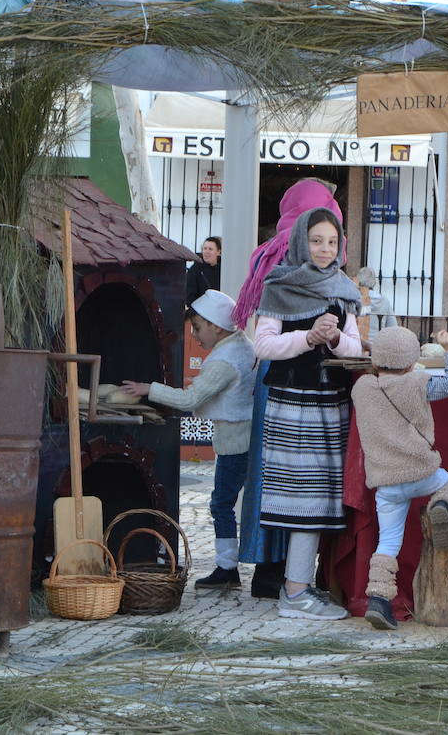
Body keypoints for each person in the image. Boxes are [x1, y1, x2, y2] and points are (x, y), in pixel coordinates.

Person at [252, 207, 364, 620]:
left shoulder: (344, 289)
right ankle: (294, 593)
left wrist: (334, 337)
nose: (324, 249)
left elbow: (356, 348)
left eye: (331, 242)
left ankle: (297, 589)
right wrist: (305, 337)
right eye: (317, 240)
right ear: (302, 240)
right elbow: (262, 345)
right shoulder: (279, 285)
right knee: (303, 498)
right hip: (292, 403)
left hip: (330, 405)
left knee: (319, 500)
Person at [234, 179, 343, 598]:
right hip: (298, 377)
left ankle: (267, 569)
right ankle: (299, 575)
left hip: (270, 374)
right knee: (305, 478)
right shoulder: (310, 249)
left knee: (268, 473)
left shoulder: (268, 252)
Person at [121, 290, 256, 591]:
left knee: (221, 504)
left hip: (236, 441)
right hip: (245, 435)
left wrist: (147, 389)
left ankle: (226, 568)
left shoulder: (224, 360)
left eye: (197, 327)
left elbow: (190, 398)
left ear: (217, 327)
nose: (194, 335)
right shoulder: (242, 345)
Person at [351, 326, 448, 629]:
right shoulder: (417, 383)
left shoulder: (361, 388)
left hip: (385, 483)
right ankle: (442, 505)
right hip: (422, 473)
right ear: (413, 361)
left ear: (376, 362)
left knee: (387, 541)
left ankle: (378, 599)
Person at [185, 236, 222, 302]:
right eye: (205, 248)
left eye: (210, 249)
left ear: (218, 252)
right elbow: (189, 295)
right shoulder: (195, 270)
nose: (207, 251)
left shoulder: (223, 270)